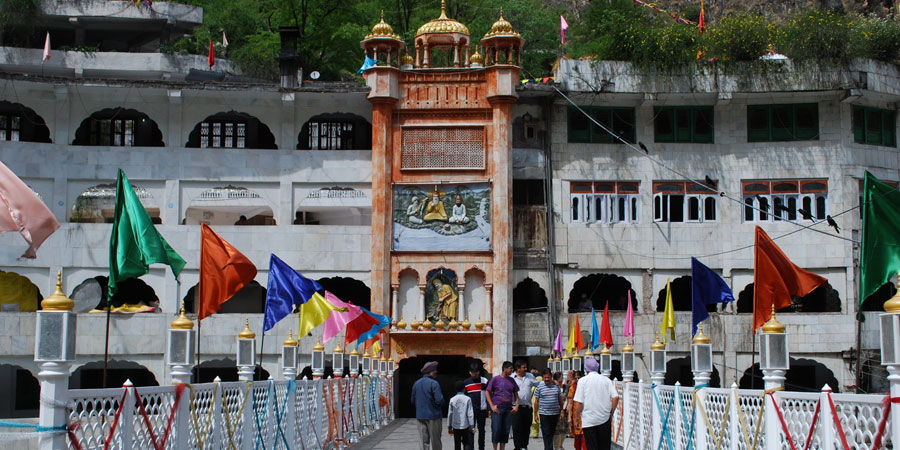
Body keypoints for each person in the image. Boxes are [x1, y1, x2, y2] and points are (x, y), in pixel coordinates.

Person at [573, 359, 619, 450]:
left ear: (586, 370)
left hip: (589, 420)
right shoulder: (606, 380)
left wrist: (576, 418)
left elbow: (579, 402)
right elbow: (616, 397)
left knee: (591, 446)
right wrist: (611, 413)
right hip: (604, 419)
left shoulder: (583, 381)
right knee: (604, 447)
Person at [485, 361, 519, 450]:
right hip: (498, 408)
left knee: (505, 430)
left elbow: (516, 394)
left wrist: (516, 405)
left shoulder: (512, 380)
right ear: (505, 369)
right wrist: (492, 406)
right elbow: (487, 392)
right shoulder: (495, 379)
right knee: (496, 430)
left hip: (508, 409)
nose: (512, 370)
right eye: (511, 368)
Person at [412, 361, 444, 450]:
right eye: (435, 370)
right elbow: (439, 400)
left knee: (423, 442)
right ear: (431, 371)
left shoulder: (416, 383)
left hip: (420, 416)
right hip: (433, 416)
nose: (436, 372)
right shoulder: (434, 383)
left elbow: (413, 400)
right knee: (435, 442)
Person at [511, 360, 541, 450]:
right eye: (523, 367)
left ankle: (524, 446)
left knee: (526, 428)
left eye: (525, 367)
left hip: (527, 407)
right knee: (516, 428)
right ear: (518, 368)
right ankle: (517, 447)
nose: (526, 369)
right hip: (516, 407)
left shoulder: (530, 376)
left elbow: (538, 384)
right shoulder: (511, 378)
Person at [534, 368, 564, 450]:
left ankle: (549, 447)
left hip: (554, 414)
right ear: (543, 378)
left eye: (548, 377)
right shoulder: (540, 387)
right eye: (545, 377)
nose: (547, 379)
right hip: (544, 414)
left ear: (551, 377)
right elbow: (536, 401)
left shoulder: (556, 386)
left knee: (552, 432)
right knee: (546, 433)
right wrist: (535, 414)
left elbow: (560, 399)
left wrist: (562, 411)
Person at [463, 363, 489, 450]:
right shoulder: (466, 383)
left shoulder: (484, 381)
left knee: (482, 431)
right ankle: (471, 448)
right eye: (474, 373)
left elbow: (488, 394)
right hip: (471, 411)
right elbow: (464, 398)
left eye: (477, 373)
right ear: (470, 372)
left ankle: (482, 447)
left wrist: (489, 408)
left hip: (482, 409)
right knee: (471, 430)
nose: (476, 375)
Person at [448, 380, 476, 450]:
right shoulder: (468, 399)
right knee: (466, 443)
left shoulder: (452, 400)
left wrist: (449, 426)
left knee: (457, 444)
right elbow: (470, 413)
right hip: (465, 425)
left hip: (455, 426)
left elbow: (450, 413)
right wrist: (472, 426)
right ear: (464, 389)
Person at [566, 371, 584, 450]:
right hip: (575, 415)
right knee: (577, 438)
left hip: (584, 414)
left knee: (584, 437)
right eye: (576, 378)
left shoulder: (585, 387)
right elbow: (570, 403)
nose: (577, 379)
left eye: (579, 378)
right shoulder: (572, 388)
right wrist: (569, 417)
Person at [552, 372, 568, 450]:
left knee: (565, 429)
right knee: (557, 430)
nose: (561, 380)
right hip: (556, 410)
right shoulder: (553, 387)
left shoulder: (565, 387)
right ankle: (557, 447)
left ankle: (560, 445)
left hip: (565, 410)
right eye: (560, 378)